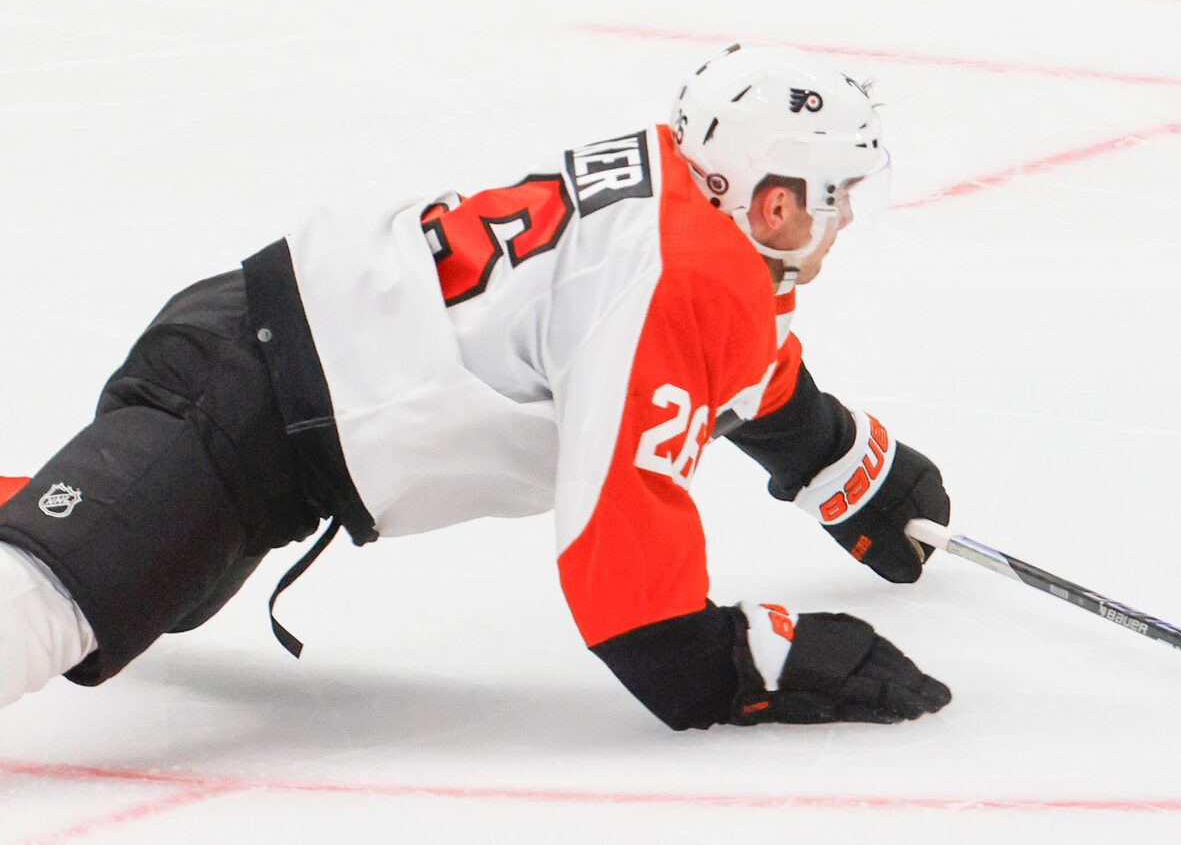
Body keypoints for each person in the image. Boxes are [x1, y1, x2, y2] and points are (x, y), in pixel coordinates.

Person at [0, 44, 957, 729]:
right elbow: (623, 566)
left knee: (152, 589)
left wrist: (838, 460)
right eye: (839, 198)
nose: (846, 224)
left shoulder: (687, 203)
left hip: (267, 405)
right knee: (53, 603)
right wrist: (740, 663)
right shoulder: (684, 274)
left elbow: (729, 364)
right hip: (241, 405)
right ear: (775, 201)